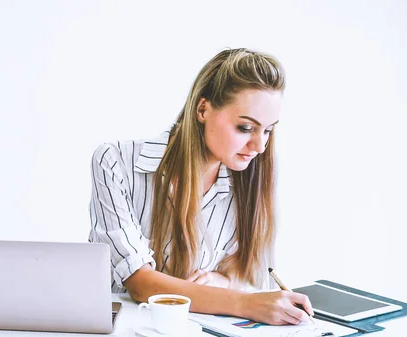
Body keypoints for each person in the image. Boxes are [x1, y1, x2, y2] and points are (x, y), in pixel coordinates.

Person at [88, 47, 314, 325]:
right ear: (203, 109)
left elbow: (249, 276)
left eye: (268, 130)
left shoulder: (248, 180)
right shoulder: (116, 162)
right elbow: (139, 282)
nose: (260, 146)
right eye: (245, 128)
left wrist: (223, 282)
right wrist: (245, 303)